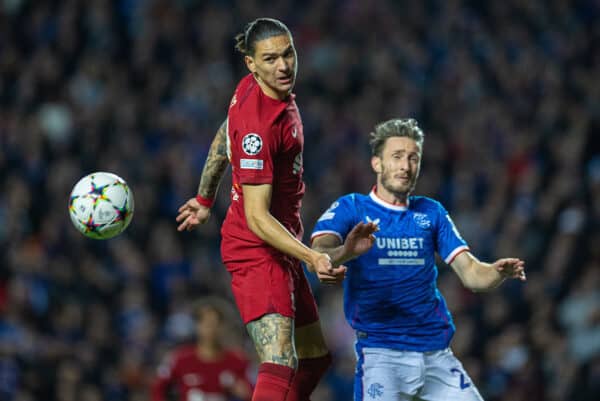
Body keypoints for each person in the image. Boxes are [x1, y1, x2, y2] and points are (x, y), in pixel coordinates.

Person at [310, 118, 527, 401]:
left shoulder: (431, 212)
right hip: (382, 356)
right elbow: (318, 254)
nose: (406, 166)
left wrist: (497, 271)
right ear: (377, 163)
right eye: (397, 156)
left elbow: (472, 274)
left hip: (435, 355)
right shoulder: (352, 207)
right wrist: (347, 251)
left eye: (413, 158)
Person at [176, 18, 333, 401]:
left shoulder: (252, 91)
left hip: (281, 244)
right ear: (251, 64)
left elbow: (222, 133)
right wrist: (312, 257)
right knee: (279, 363)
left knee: (314, 359)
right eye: (270, 59)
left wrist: (204, 197)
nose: (283, 66)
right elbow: (257, 217)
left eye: (288, 53)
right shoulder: (258, 128)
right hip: (257, 251)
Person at [151, 297, 253, 401]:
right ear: (197, 325)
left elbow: (252, 392)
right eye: (207, 323)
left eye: (216, 324)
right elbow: (158, 388)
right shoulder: (180, 359)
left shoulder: (237, 361)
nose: (212, 329)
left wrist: (245, 393)